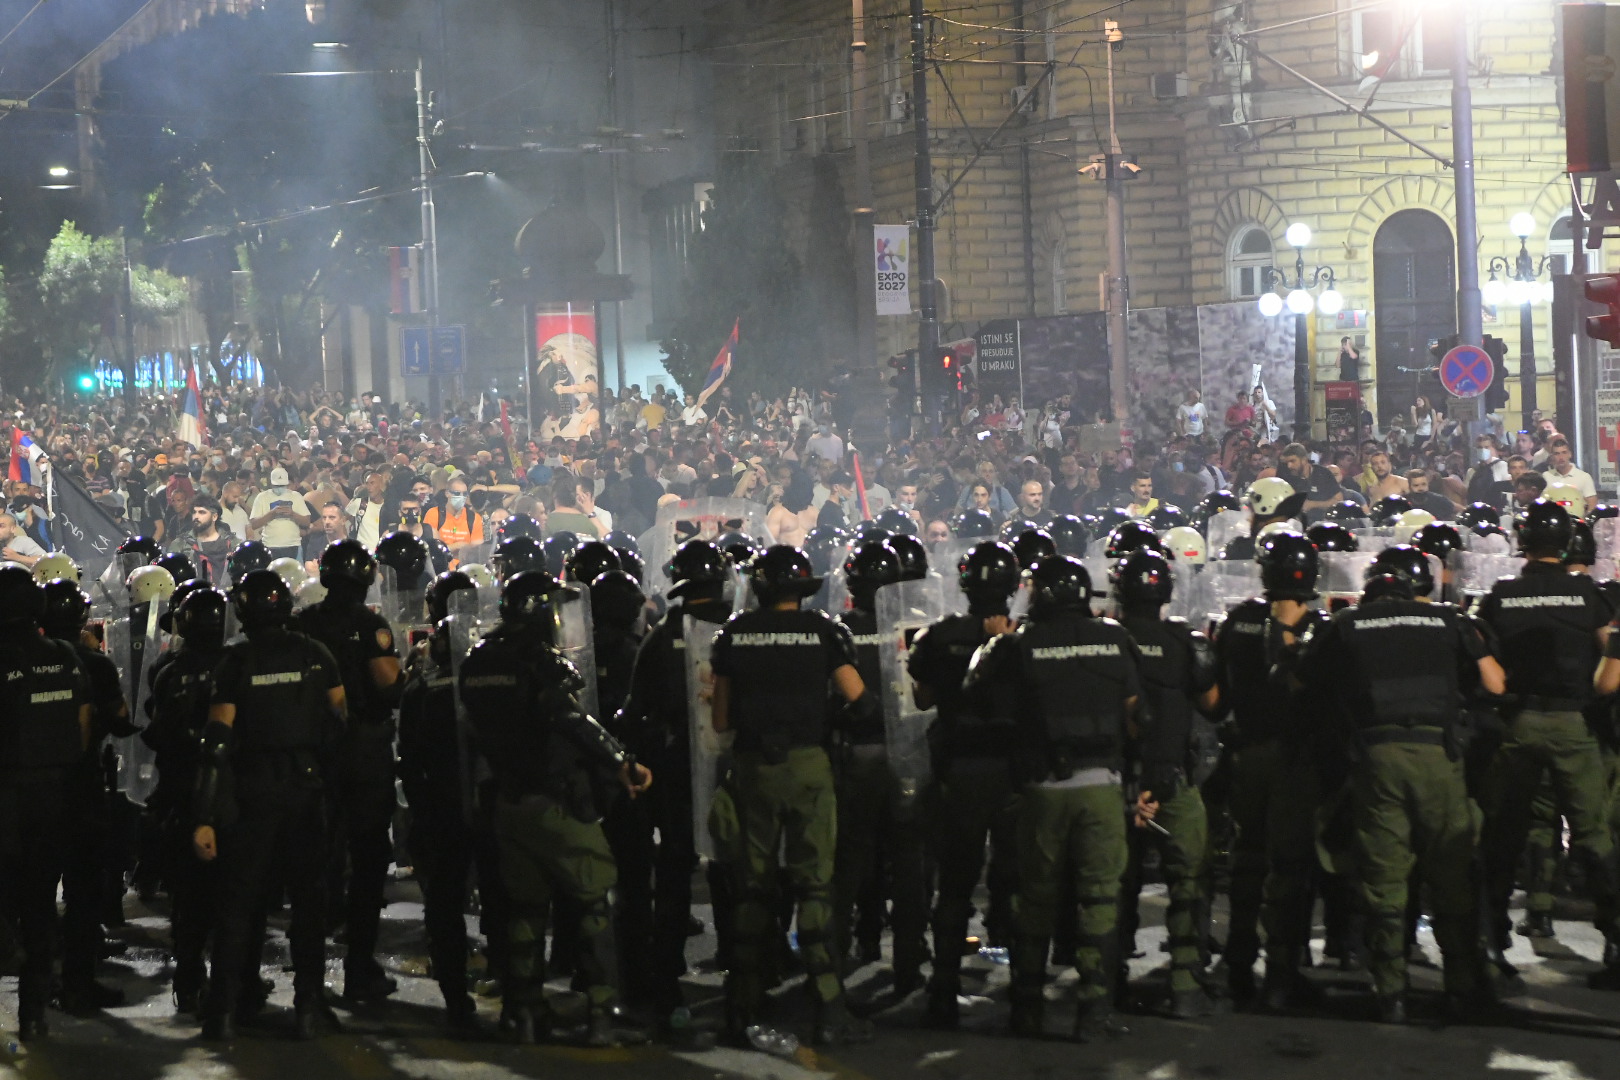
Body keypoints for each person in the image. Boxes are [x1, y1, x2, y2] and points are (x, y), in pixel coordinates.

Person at [1287, 560, 1501, 1022]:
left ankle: (1392, 993)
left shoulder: (1348, 624)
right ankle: (1461, 985)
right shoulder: (1449, 620)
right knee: (1451, 875)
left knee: (1384, 878)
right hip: (1438, 758)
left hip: (1378, 758)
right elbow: (1495, 683)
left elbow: (1299, 681)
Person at [458, 570, 652, 1046]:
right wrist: (621, 759)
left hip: (508, 801)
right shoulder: (539, 661)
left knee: (525, 909)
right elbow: (568, 717)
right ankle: (603, 1014)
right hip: (555, 800)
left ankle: (524, 1012)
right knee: (593, 902)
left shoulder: (477, 661)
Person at [965, 555, 1140, 1041]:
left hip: (1042, 790)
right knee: (1100, 901)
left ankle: (1026, 1009)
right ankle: (1094, 1013)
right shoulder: (1115, 638)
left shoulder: (1019, 646)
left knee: (1036, 901)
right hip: (1102, 785)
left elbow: (989, 708)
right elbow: (1134, 715)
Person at [710, 545, 871, 1046]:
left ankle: (742, 1007)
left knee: (754, 889)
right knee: (815, 887)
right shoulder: (825, 631)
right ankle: (828, 1008)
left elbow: (720, 720)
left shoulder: (733, 634)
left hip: (755, 768)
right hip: (809, 767)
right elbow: (860, 701)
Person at [194, 569, 347, 1040]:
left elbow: (217, 743)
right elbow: (340, 722)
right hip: (306, 790)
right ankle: (309, 1006)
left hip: (251, 791)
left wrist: (205, 815)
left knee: (240, 904)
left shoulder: (235, 662)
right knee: (308, 904)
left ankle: (223, 1011)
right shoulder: (316, 654)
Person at [1480, 499, 1620, 989]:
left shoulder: (1500, 595)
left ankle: (1490, 944)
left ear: (1523, 541)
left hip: (1518, 723)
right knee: (1594, 836)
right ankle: (1616, 945)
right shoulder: (1589, 597)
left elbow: (1483, 670)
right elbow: (1613, 660)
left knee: (1503, 836)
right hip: (1573, 724)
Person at [613, 540, 731, 1044]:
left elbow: (634, 712)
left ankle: (666, 982)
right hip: (730, 768)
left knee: (676, 873)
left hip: (674, 770)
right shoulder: (736, 631)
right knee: (734, 871)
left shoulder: (661, 638)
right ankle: (747, 977)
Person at [1212, 530, 1331, 1006]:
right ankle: (1282, 969)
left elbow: (1217, 694)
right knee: (1290, 864)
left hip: (1248, 753)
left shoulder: (1237, 620)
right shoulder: (1323, 628)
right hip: (1295, 759)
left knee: (1247, 857)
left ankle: (1238, 960)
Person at [909, 540, 1022, 1027]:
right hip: (1013, 772)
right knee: (1016, 880)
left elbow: (921, 697)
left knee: (955, 884)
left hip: (959, 770)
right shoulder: (1027, 639)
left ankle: (943, 986)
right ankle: (1026, 992)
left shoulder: (937, 636)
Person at [291, 540, 405, 1004]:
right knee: (369, 857)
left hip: (315, 751)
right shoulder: (371, 624)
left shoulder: (304, 625)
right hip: (363, 751)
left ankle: (310, 983)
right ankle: (359, 967)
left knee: (314, 861)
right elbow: (388, 686)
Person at [1112, 549, 1222, 1018]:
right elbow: (1213, 704)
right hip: (1172, 777)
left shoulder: (1107, 640)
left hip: (1117, 780)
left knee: (1115, 883)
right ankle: (1185, 984)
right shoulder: (1184, 641)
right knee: (1189, 878)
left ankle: (1109, 982)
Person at [397, 571, 507, 1034]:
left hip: (441, 809)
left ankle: (455, 995)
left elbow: (408, 756)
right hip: (489, 805)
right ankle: (510, 982)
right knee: (500, 895)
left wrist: (420, 812)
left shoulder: (421, 689)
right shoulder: (491, 683)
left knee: (444, 902)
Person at [831, 541, 927, 999]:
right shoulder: (914, 627)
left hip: (859, 756)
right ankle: (908, 962)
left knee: (851, 861)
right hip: (907, 754)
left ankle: (838, 957)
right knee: (908, 862)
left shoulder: (839, 631)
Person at [0, 567, 92, 1041]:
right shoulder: (64, 657)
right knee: (40, 906)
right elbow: (80, 729)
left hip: (7, 796)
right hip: (52, 797)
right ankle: (33, 1014)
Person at [141, 586, 231, 1017]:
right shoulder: (237, 665)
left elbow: (156, 730)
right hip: (228, 795)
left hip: (180, 794)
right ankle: (235, 984)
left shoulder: (166, 670)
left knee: (188, 897)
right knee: (235, 893)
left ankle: (190, 979)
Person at [39, 577, 127, 1017]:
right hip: (81, 785)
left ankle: (37, 994)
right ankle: (76, 983)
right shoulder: (94, 663)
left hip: (28, 788)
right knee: (81, 890)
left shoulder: (15, 659)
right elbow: (121, 718)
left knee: (34, 894)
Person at [248, 468, 312, 561]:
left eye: (282, 485)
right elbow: (254, 524)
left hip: (293, 545)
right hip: (270, 545)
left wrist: (292, 514)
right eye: (277, 485)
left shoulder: (296, 496)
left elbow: (306, 522)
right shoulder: (262, 497)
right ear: (271, 483)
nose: (280, 488)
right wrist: (271, 514)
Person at [424, 476, 486, 560]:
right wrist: (457, 546)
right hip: (442, 566)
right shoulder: (434, 514)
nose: (461, 497)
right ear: (447, 493)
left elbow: (477, 550)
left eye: (464, 494)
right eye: (457, 493)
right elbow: (432, 548)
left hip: (464, 567)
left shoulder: (474, 518)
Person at [1276, 442, 1339, 522]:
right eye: (1287, 462)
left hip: (1323, 522)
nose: (1289, 466)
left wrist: (1312, 504)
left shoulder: (1323, 474)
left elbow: (1338, 501)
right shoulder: (1285, 476)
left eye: (1293, 461)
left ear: (1304, 460)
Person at [1542, 436, 1598, 515]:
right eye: (1557, 454)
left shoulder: (1584, 477)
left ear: (1570, 454)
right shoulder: (1546, 477)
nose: (1561, 457)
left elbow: (1592, 506)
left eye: (1564, 452)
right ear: (1552, 457)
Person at [345, 470, 389, 549]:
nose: (368, 487)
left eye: (372, 483)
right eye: (367, 483)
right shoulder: (360, 503)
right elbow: (343, 520)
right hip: (362, 554)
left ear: (381, 485)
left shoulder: (388, 506)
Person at [302, 502, 348, 574]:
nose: (327, 522)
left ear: (343, 520)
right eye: (324, 518)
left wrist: (321, 568)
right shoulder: (315, 543)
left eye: (332, 517)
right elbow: (310, 570)